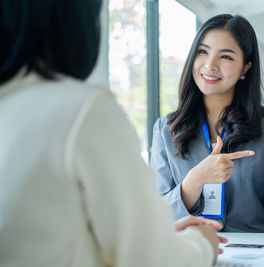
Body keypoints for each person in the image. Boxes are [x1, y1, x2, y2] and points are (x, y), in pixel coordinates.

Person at [0, 1, 226, 266]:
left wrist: (158, 236)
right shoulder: (83, 110)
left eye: (226, 56)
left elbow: (51, 234)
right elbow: (154, 259)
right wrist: (202, 242)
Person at [151, 14, 264, 233]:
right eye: (203, 52)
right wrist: (194, 181)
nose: (210, 65)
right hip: (196, 251)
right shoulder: (165, 129)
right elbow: (158, 217)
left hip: (261, 253)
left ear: (245, 67)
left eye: (226, 57)